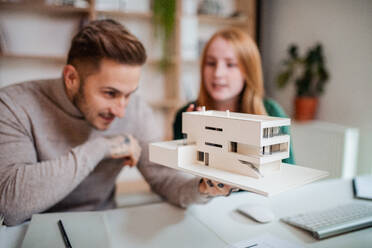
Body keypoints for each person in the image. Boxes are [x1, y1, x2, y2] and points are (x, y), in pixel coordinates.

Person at [0, 19, 233, 226]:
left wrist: (202, 187)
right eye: (110, 93)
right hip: (31, 230)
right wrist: (103, 147)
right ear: (71, 78)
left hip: (101, 224)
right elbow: (11, 205)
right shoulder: (13, 105)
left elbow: (163, 178)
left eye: (129, 94)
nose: (122, 111)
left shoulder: (136, 109)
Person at [173, 28, 294, 164]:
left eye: (230, 64)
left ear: (248, 71)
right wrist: (192, 138)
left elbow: (288, 173)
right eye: (211, 63)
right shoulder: (185, 115)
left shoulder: (272, 113)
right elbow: (179, 180)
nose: (218, 73)